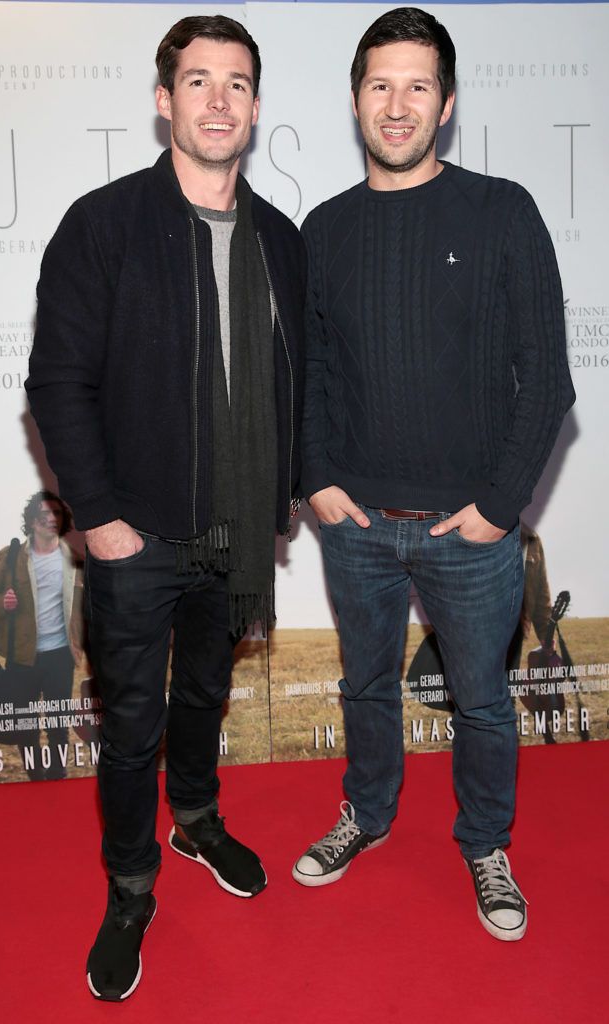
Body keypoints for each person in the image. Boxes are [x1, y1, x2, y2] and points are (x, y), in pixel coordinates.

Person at [26, 15, 305, 1001]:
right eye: (197, 81)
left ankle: (195, 816)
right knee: (132, 719)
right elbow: (56, 381)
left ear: (256, 106)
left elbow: (293, 381)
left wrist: (282, 497)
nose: (217, 99)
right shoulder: (103, 226)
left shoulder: (280, 240)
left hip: (234, 531)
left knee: (203, 698)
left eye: (236, 83)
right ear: (163, 100)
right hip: (133, 535)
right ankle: (132, 888)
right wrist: (95, 515)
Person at [293, 7, 574, 943]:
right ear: (355, 99)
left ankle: (486, 843)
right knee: (365, 689)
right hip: (358, 528)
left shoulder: (504, 210)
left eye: (418, 85)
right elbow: (312, 373)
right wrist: (316, 479)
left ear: (446, 105)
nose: (398, 103)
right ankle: (366, 817)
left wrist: (499, 508)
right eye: (381, 84)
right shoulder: (323, 229)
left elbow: (549, 376)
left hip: (471, 533)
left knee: (483, 701)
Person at [0, 490, 83, 780]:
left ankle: (57, 777)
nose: (50, 519)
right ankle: (35, 780)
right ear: (32, 522)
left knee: (59, 722)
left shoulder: (75, 560)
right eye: (43, 515)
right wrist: (1, 603)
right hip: (22, 656)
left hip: (61, 655)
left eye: (55, 514)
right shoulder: (11, 557)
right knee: (25, 725)